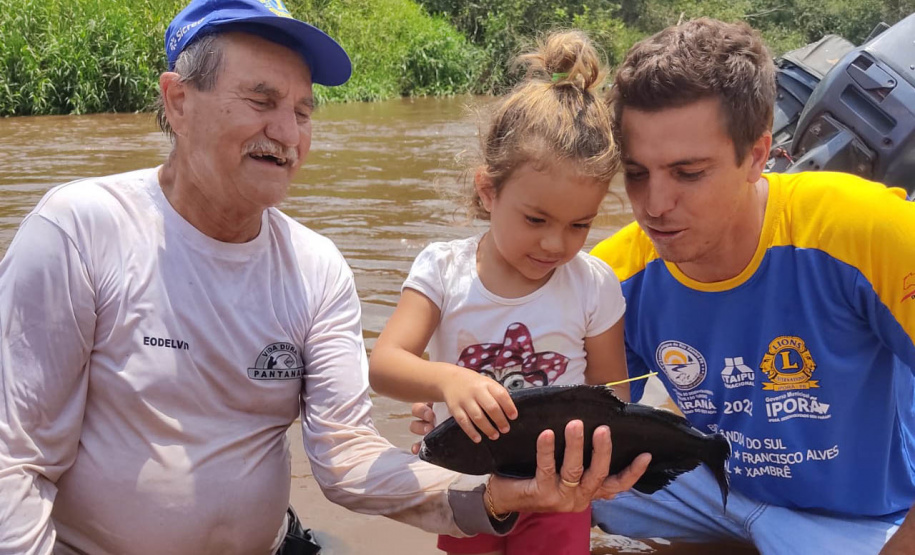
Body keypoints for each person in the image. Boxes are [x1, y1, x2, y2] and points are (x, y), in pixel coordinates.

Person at [0, 1, 652, 554]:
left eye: (304, 111)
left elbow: (345, 457)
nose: (286, 132)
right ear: (178, 100)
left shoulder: (315, 269)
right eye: (261, 101)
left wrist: (492, 495)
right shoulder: (80, 231)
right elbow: (15, 461)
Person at [584, 17, 915, 554]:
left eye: (688, 173)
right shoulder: (612, 276)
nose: (655, 206)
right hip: (715, 491)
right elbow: (574, 404)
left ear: (757, 157)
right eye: (637, 172)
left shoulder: (861, 230)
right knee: (542, 480)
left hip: (866, 517)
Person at [369, 30, 640, 555]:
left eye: (579, 225)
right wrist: (448, 381)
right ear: (488, 190)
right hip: (468, 482)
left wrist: (603, 464)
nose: (555, 243)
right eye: (536, 218)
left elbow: (615, 396)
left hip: (560, 491)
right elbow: (384, 364)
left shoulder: (592, 283)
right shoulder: (443, 270)